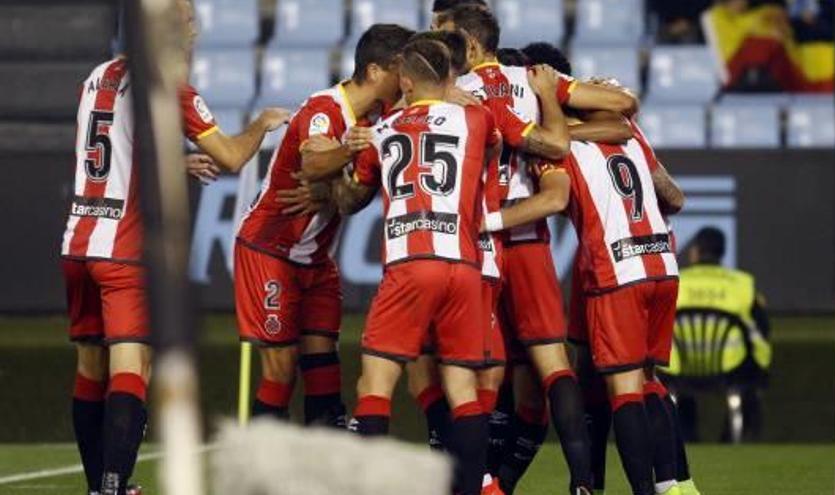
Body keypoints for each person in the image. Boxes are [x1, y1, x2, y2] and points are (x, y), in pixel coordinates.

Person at [61, 2, 289, 494]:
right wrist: (261, 123)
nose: (194, 29)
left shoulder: (96, 76)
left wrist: (173, 163)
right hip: (124, 250)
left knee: (89, 368)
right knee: (132, 367)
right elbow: (230, 157)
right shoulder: (171, 87)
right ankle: (114, 485)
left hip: (78, 240)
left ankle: (99, 486)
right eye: (187, 20)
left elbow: (111, 153)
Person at [437, 5, 639, 494]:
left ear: (468, 43)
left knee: (479, 370)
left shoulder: (452, 93)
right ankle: (583, 482)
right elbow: (622, 105)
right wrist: (552, 101)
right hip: (528, 235)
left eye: (443, 38)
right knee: (553, 364)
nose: (437, 48)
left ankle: (479, 481)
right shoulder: (530, 80)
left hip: (477, 239)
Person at [330, 38, 500, 495]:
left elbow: (349, 199)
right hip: (463, 265)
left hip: (410, 262)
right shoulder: (477, 117)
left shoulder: (382, 129)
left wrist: (341, 158)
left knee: (376, 383)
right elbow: (492, 147)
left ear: (404, 80)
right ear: (449, 76)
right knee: (463, 389)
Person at [233, 23, 414, 426]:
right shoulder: (324, 110)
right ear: (375, 72)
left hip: (315, 260)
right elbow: (313, 162)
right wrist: (349, 149)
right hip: (270, 251)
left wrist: (331, 192)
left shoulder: (376, 116)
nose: (407, 81)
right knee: (281, 371)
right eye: (401, 70)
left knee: (323, 369)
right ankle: (263, 470)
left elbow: (356, 193)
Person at [674, 227, 772, 442]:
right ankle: (733, 442)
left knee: (675, 391)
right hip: (730, 371)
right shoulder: (743, 284)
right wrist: (761, 369)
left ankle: (685, 439)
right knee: (751, 384)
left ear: (695, 252)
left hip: (678, 370)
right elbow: (761, 330)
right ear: (722, 253)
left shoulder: (675, 282)